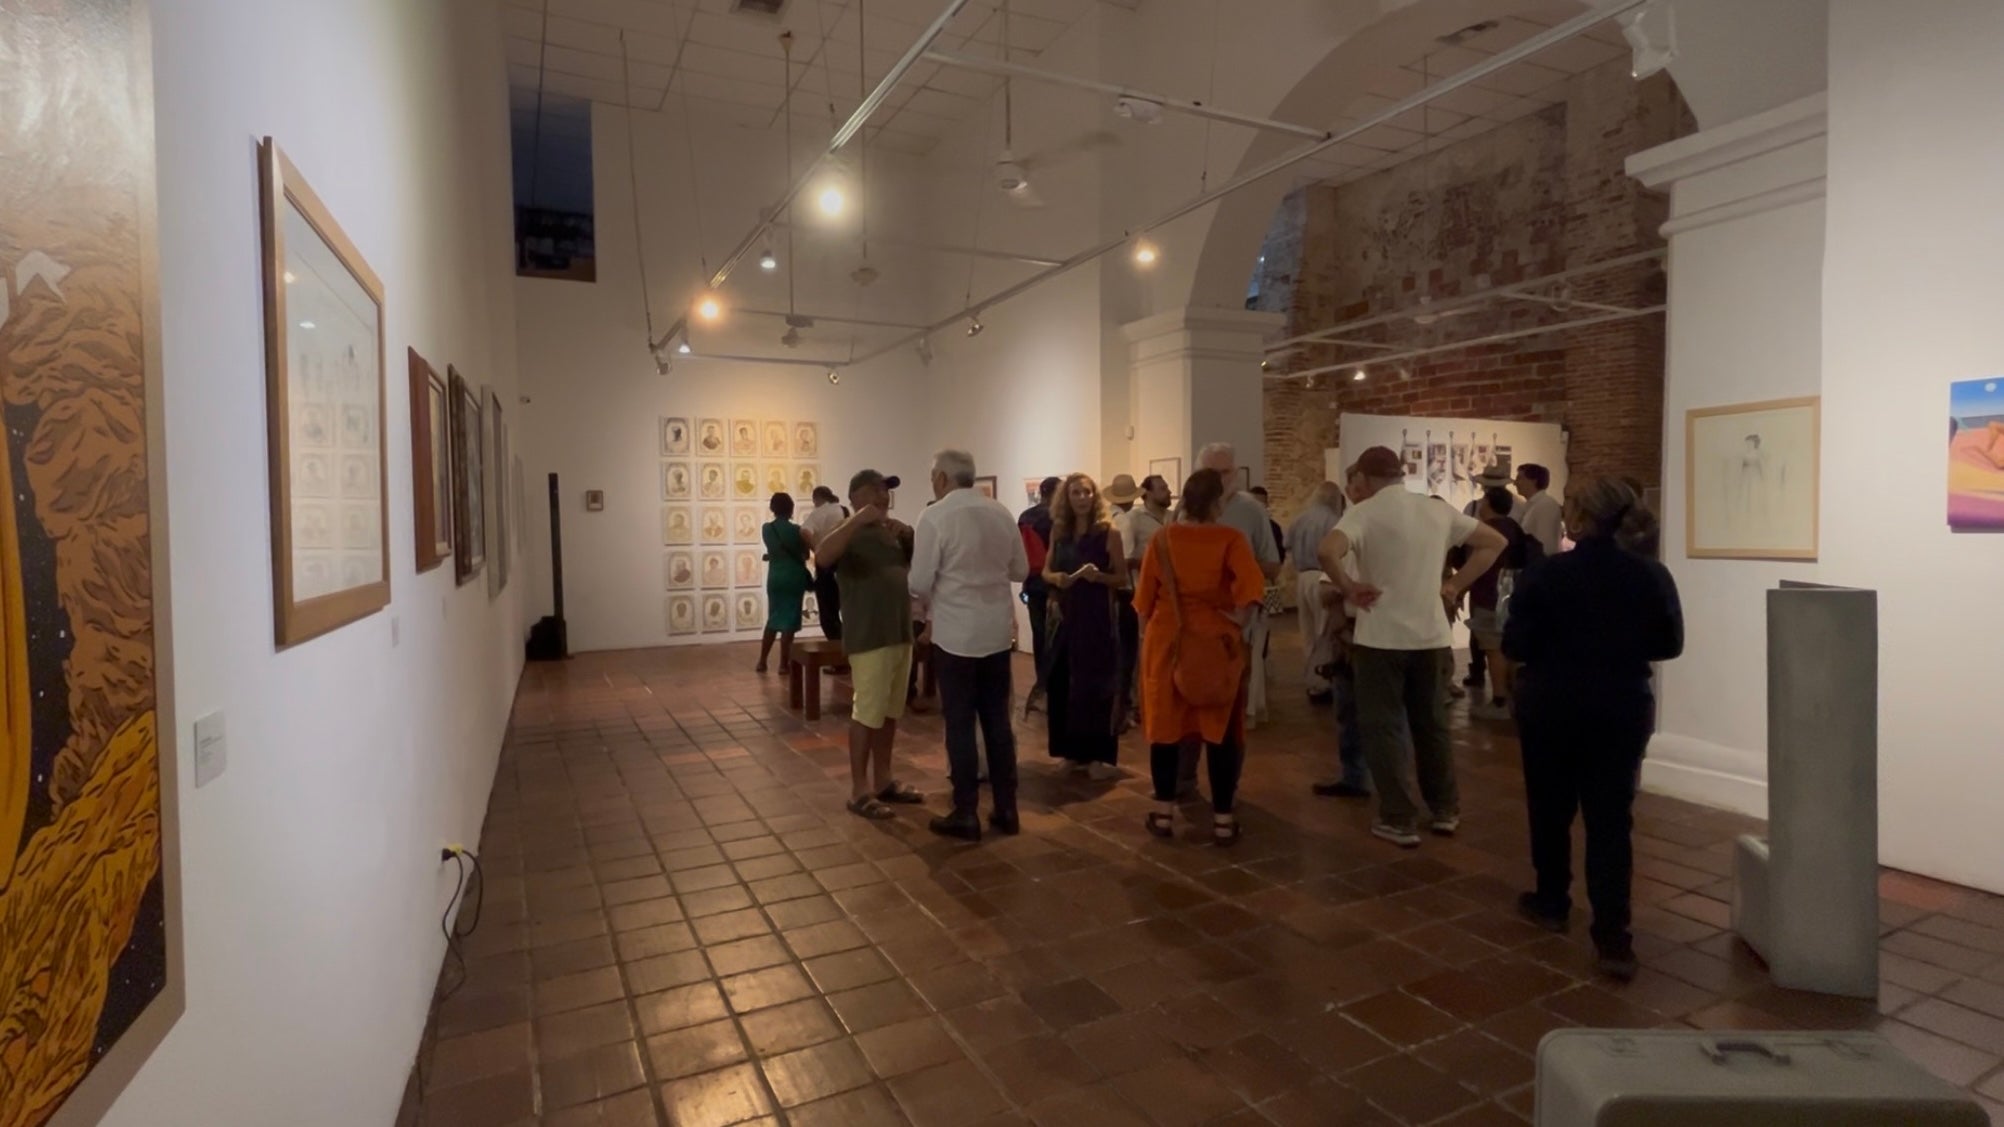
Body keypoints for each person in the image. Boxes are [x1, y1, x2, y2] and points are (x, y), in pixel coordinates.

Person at [1504, 477, 1683, 982]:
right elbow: (1669, 644)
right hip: (1619, 705)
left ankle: (1552, 899)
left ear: (1579, 518)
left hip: (1551, 702)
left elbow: (1516, 644)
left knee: (1550, 806)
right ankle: (1612, 934)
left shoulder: (1545, 575)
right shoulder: (1650, 575)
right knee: (1610, 819)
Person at [1319, 446, 1505, 848]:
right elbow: (1494, 542)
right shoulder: (1435, 511)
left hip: (1381, 638)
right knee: (1432, 726)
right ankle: (1445, 809)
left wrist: (1349, 587)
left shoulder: (1364, 513)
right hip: (1431, 637)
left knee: (1383, 728)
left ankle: (1399, 818)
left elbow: (1326, 551)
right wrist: (1455, 585)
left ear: (1365, 480)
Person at [1134, 469, 1265, 846]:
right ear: (1216, 503)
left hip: (1167, 646)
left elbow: (1143, 603)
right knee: (1221, 733)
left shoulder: (1161, 541)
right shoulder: (1230, 540)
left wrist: (1150, 638)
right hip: (1214, 645)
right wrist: (1234, 620)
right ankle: (1223, 819)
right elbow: (1251, 593)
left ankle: (1163, 814)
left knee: (1165, 734)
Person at [909, 450, 1028, 842]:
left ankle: (965, 811)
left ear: (942, 478)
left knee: (959, 723)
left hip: (956, 634)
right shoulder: (1000, 512)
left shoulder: (935, 516)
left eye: (932, 478)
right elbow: (1020, 570)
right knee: (996, 721)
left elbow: (920, 581)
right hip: (994, 632)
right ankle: (1007, 808)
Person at [814, 470, 925, 820]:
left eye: (886, 491)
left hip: (898, 634)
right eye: (875, 490)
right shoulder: (847, 533)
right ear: (856, 496)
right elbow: (823, 557)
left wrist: (908, 534)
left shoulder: (893, 534)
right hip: (870, 637)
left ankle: (884, 779)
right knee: (867, 713)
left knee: (890, 712)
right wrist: (859, 520)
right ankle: (859, 789)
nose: (883, 496)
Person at [1044, 473, 1128, 779]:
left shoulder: (1108, 532)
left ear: (1095, 497)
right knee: (1066, 683)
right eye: (1076, 493)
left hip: (1096, 616)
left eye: (1087, 492)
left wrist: (1099, 577)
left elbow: (1121, 577)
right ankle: (1071, 751)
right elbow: (1045, 569)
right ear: (1066, 498)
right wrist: (1056, 579)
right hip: (1066, 614)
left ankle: (1099, 755)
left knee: (1097, 683)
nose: (1081, 498)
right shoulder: (1060, 531)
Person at [1311, 465, 1372, 799]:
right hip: (1357, 628)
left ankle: (1368, 778)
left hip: (1366, 630)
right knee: (1355, 711)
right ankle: (1359, 776)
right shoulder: (1347, 528)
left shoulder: (1353, 528)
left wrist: (1343, 592)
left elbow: (1329, 585)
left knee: (1364, 712)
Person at [1458, 487, 1533, 720]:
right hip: (1513, 594)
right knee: (1508, 648)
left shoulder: (1485, 531)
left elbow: (1476, 566)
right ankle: (1512, 699)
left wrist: (1459, 588)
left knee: (1493, 648)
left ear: (1488, 503)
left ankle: (1500, 700)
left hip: (1489, 595)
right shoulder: (1515, 528)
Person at [1286, 481, 1347, 704]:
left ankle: (1312, 678)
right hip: (1323, 577)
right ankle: (1324, 679)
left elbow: (1288, 545)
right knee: (1325, 631)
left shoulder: (1300, 518)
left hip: (1302, 576)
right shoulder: (1334, 521)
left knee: (1308, 631)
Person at [1118, 475, 1172, 726]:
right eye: (1162, 488)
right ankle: (1136, 703)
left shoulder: (1173, 519)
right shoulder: (1133, 521)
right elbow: (1126, 559)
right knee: (1139, 652)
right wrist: (1153, 564)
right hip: (1140, 592)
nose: (1168, 491)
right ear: (1147, 493)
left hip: (1168, 596)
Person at [1461, 466, 1513, 692]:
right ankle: (1479, 672)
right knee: (1483, 632)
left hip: (1493, 580)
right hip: (1492, 580)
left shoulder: (1509, 512)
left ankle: (1501, 694)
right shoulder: (1473, 507)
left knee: (1492, 639)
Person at [1018, 476, 1061, 714]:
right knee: (1056, 636)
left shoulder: (1025, 516)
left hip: (1033, 583)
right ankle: (1053, 686)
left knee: (1039, 635)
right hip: (1054, 583)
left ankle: (1041, 685)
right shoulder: (1057, 518)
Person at [757, 492, 813, 675]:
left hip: (775, 577)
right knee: (789, 620)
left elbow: (773, 551)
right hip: (793, 577)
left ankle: (762, 661)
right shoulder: (797, 530)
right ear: (790, 508)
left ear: (772, 508)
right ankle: (783, 664)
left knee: (773, 618)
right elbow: (805, 554)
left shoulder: (767, 528)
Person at [1106, 474, 1144, 731]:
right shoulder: (1125, 523)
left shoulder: (1107, 519)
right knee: (1126, 656)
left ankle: (1116, 712)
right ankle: (1121, 713)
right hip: (1127, 592)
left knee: (1118, 654)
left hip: (1114, 594)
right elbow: (1127, 560)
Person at [800, 486, 848, 641]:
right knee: (847, 611)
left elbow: (804, 532)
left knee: (828, 615)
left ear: (816, 499)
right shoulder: (843, 510)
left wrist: (818, 549)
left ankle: (838, 656)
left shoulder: (818, 513)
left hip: (827, 567)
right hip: (845, 566)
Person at [1514, 463, 1564, 558]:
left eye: (1519, 478)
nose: (1515, 483)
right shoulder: (1532, 505)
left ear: (1533, 481)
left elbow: (1546, 544)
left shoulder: (1546, 505)